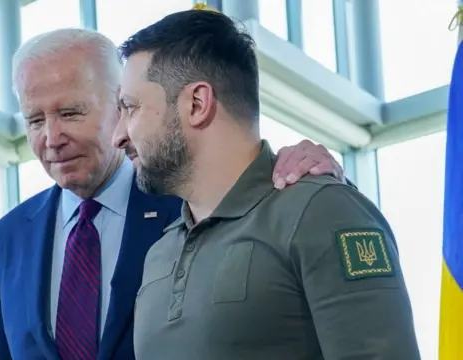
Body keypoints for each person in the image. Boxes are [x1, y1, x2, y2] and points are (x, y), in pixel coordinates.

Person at [0, 27, 346, 360]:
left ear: (120, 106)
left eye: (71, 113)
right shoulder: (5, 240)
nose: (51, 138)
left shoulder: (195, 203)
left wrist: (318, 176)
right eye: (34, 120)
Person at [113, 9, 421, 360]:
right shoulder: (160, 252)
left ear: (197, 104)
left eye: (130, 108)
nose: (118, 135)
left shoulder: (320, 211)